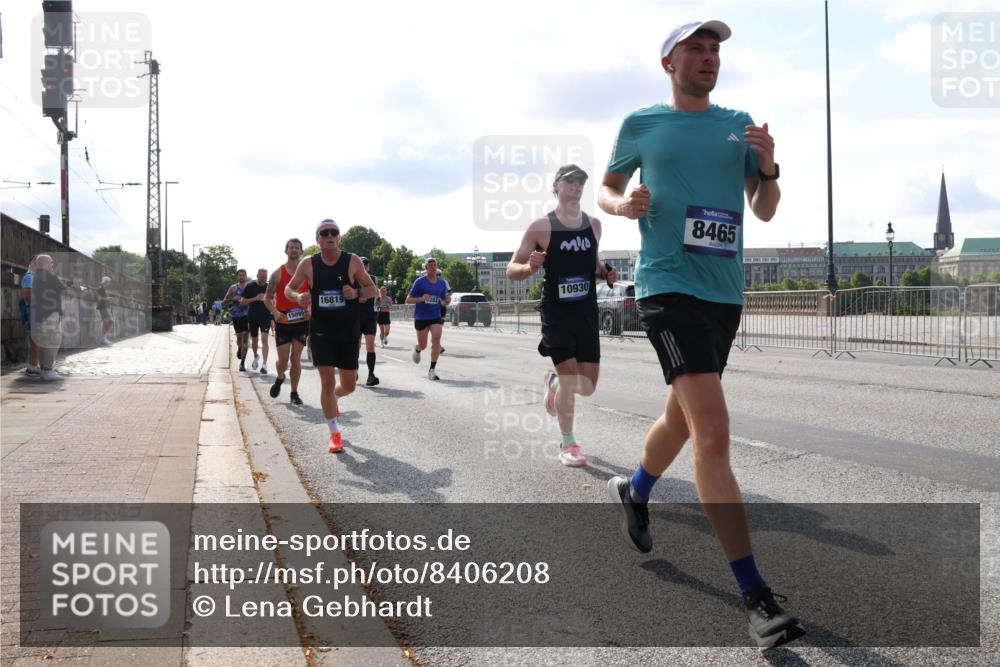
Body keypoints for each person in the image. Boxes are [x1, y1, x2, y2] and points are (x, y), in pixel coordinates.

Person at [597, 20, 802, 650]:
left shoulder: (738, 124)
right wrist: (623, 205)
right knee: (712, 432)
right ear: (669, 61)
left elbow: (763, 208)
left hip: (723, 294)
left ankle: (635, 488)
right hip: (665, 287)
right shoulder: (642, 124)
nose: (710, 58)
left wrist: (767, 166)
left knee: (682, 419)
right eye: (697, 48)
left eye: (715, 50)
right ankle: (756, 597)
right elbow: (605, 189)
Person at [507, 164, 617, 468]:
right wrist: (530, 266)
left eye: (581, 182)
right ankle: (568, 443)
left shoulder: (594, 225)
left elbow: (593, 264)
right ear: (556, 186)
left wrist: (605, 273)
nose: (576, 187)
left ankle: (553, 384)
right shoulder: (541, 227)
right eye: (570, 182)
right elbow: (511, 270)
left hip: (586, 312)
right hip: (556, 312)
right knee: (572, 380)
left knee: (588, 385)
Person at [285, 219, 376, 453]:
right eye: (324, 233)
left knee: (348, 385)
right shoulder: (309, 264)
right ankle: (334, 433)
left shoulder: (352, 261)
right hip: (321, 331)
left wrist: (356, 292)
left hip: (347, 332)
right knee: (326, 379)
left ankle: (334, 399)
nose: (329, 236)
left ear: (339, 237)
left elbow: (372, 289)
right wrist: (298, 297)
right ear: (317, 239)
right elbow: (289, 288)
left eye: (333, 232)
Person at [267, 238, 310, 405]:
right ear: (286, 251)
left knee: (296, 358)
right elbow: (267, 298)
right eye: (291, 247)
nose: (294, 250)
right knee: (283, 361)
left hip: (301, 319)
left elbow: (315, 294)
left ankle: (294, 392)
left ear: (301, 251)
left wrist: (310, 311)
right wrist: (275, 312)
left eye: (297, 248)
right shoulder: (278, 273)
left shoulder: (307, 273)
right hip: (283, 320)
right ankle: (280, 376)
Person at [405, 258, 450, 381]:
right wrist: (421, 299)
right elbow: (408, 300)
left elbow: (445, 297)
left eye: (434, 264)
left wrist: (447, 299)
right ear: (426, 268)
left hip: (435, 316)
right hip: (421, 317)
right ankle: (417, 348)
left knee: (436, 338)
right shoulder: (419, 282)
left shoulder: (441, 283)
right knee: (423, 345)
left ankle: (432, 370)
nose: (432, 267)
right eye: (430, 265)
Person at [29, 255, 67, 381]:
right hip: (49, 316)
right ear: (45, 264)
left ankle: (46, 369)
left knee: (46, 343)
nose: (52, 265)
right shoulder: (46, 276)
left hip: (43, 315)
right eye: (51, 263)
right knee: (51, 342)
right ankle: (47, 371)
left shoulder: (37, 276)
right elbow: (63, 288)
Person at [241, 268, 272, 374]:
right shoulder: (250, 286)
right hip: (253, 316)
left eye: (265, 277)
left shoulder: (269, 287)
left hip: (265, 316)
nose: (264, 279)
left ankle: (264, 364)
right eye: (262, 277)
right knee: (254, 341)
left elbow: (274, 300)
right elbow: (243, 301)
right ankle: (255, 356)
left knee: (265, 340)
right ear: (257, 276)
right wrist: (256, 298)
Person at [357, 257, 380, 387]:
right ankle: (353, 371)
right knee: (356, 346)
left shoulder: (373, 278)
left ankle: (371, 375)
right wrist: (357, 298)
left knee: (370, 345)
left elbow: (376, 293)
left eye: (366, 265)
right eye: (361, 264)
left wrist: (372, 296)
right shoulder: (352, 278)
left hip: (370, 316)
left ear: (368, 267)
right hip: (356, 316)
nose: (364, 267)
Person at [223, 269, 251, 371]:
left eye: (244, 275)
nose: (242, 277)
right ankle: (239, 348)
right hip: (236, 316)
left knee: (245, 337)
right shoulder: (233, 288)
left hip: (248, 315)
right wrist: (233, 299)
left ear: (246, 276)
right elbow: (224, 301)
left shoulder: (250, 287)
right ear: (237, 277)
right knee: (239, 338)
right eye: (240, 275)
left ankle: (242, 363)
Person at [19, 256, 41, 376]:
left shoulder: (34, 277)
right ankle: (32, 367)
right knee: (35, 341)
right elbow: (27, 295)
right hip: (32, 312)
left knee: (36, 341)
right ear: (33, 263)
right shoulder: (29, 277)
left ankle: (33, 365)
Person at [96, 276, 114, 345]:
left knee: (108, 322)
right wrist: (107, 298)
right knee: (107, 322)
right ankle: (103, 338)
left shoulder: (104, 289)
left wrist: (108, 299)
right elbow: (99, 298)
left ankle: (104, 338)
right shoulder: (100, 289)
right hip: (103, 307)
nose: (109, 283)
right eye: (108, 282)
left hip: (106, 307)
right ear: (105, 282)